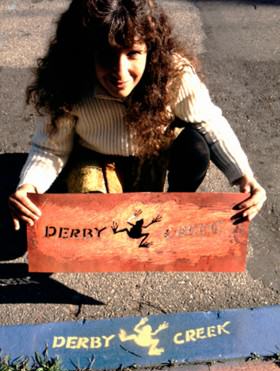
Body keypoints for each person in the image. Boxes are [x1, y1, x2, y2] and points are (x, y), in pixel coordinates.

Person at [9, 0, 266, 231]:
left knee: (195, 147)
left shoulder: (173, 75)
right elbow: (51, 149)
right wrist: (28, 187)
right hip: (95, 158)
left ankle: (175, 207)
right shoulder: (69, 84)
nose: (120, 73)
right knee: (98, 220)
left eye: (132, 53)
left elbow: (209, 122)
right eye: (107, 55)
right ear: (87, 52)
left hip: (151, 155)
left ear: (150, 50)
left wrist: (245, 176)